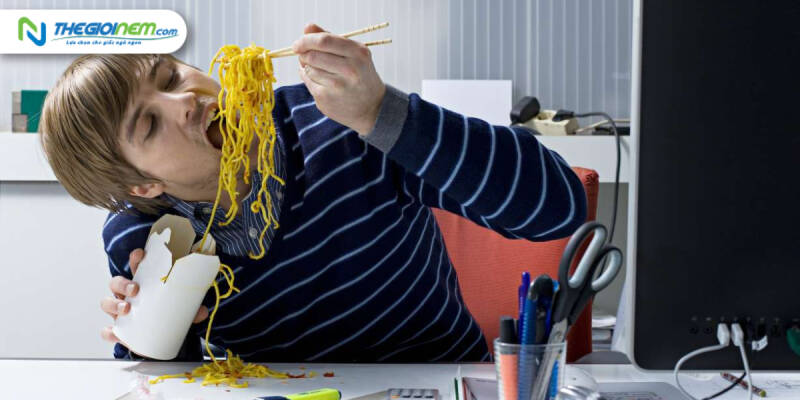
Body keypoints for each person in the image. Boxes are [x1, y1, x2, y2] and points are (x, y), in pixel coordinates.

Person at [40, 24, 587, 362]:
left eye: (170, 77)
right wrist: (144, 331)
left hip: (436, 380)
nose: (183, 101)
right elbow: (163, 380)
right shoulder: (144, 235)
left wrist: (383, 114)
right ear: (143, 185)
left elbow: (559, 208)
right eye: (149, 124)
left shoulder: (341, 121)